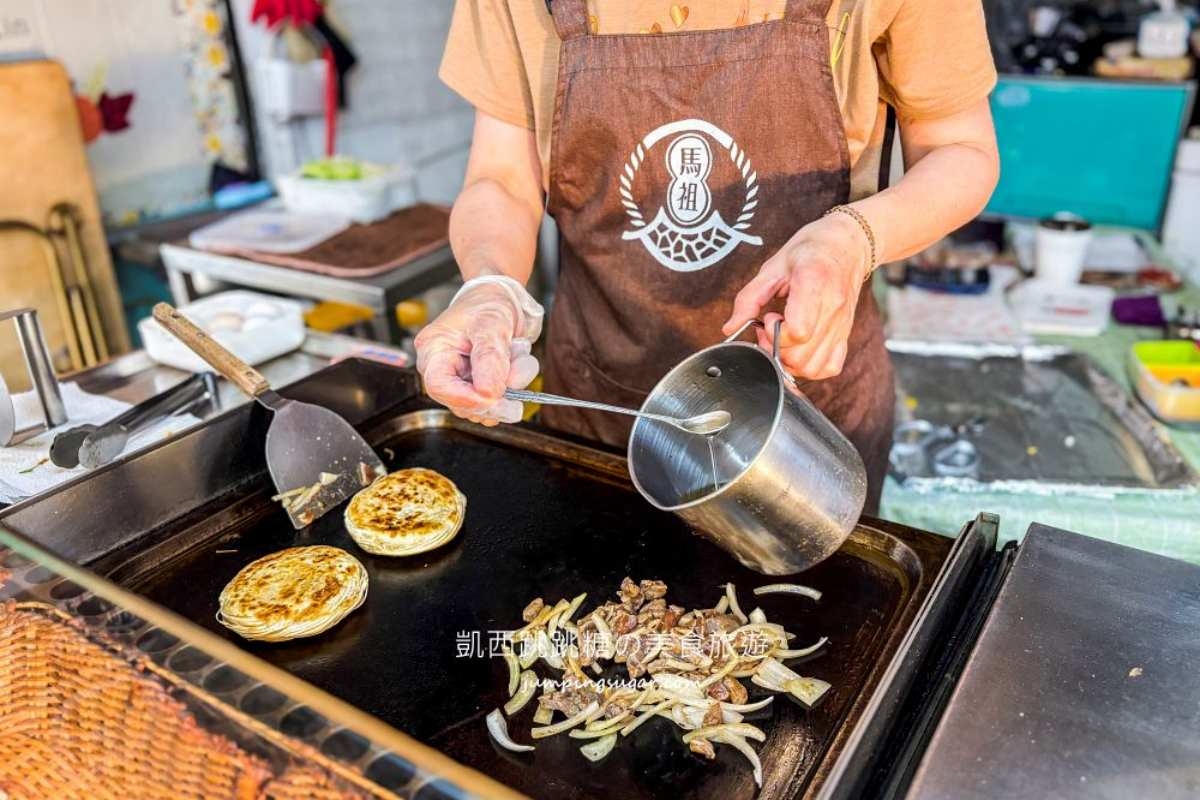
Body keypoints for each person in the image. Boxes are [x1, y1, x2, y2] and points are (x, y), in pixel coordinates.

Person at [417, 0, 999, 513]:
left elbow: (961, 150)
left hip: (804, 417)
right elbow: (502, 180)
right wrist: (488, 290)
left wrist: (850, 241)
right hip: (599, 404)